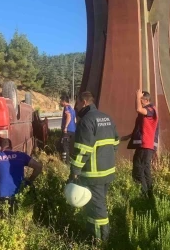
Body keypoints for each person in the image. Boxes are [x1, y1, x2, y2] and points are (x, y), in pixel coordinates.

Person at [68, 91, 119, 242]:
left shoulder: (86, 121)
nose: (76, 107)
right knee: (98, 204)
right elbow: (116, 142)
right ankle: (94, 235)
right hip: (108, 171)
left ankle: (100, 242)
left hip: (93, 174)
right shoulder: (107, 118)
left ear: (83, 102)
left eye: (76, 103)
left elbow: (83, 150)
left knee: (97, 210)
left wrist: (74, 172)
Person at [0, 138, 43, 214]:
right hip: (18, 195)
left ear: (0, 148)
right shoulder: (21, 155)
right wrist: (30, 180)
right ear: (12, 148)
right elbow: (39, 167)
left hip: (1, 196)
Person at [122, 90, 159, 199]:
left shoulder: (151, 110)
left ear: (146, 100)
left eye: (141, 100)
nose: (139, 101)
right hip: (145, 146)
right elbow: (142, 128)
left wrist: (137, 97)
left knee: (138, 170)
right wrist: (129, 136)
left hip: (146, 146)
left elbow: (138, 109)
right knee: (145, 171)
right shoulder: (147, 111)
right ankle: (149, 194)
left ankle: (143, 195)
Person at [60, 95, 76, 164]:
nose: (60, 102)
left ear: (64, 101)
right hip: (73, 131)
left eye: (61, 101)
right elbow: (75, 120)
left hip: (67, 131)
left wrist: (65, 127)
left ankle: (66, 163)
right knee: (71, 147)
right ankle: (71, 161)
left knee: (65, 146)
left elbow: (68, 117)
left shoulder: (66, 108)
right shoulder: (72, 109)